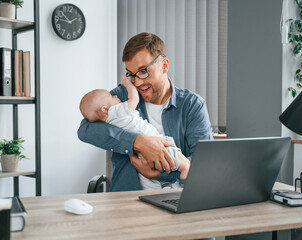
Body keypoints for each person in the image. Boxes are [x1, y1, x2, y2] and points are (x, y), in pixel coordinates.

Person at [78, 32, 213, 192]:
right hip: (127, 200)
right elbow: (85, 131)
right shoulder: (122, 96)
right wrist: (139, 142)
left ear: (164, 65)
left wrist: (159, 175)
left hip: (177, 197)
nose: (138, 82)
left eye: (143, 71)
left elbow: (204, 165)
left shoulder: (191, 105)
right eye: (131, 75)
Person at [79, 75, 189, 189]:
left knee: (167, 158)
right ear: (105, 109)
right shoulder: (117, 111)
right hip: (154, 142)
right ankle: (185, 170)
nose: (115, 96)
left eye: (144, 71)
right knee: (175, 156)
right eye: (112, 96)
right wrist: (128, 84)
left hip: (144, 154)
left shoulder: (107, 120)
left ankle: (167, 181)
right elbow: (134, 99)